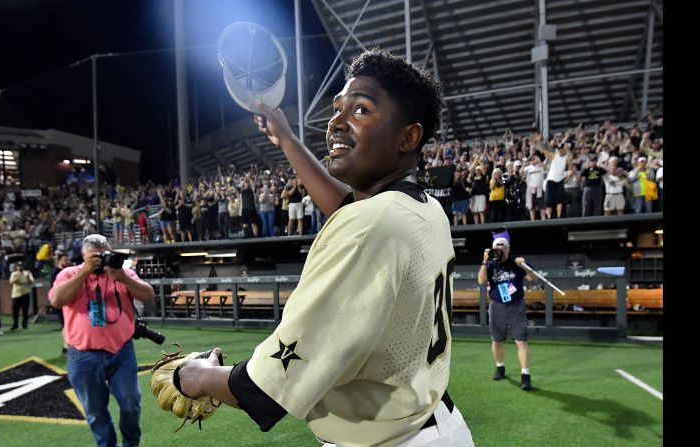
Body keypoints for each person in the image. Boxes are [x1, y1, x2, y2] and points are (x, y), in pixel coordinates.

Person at [173, 48, 474, 446]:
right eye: (337, 109)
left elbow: (265, 388)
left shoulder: (370, 226)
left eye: (361, 110)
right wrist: (288, 139)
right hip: (436, 423)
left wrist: (194, 376)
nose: (336, 123)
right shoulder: (425, 207)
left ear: (408, 137)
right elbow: (350, 208)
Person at [48, 234, 155, 447]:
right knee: (95, 412)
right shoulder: (69, 273)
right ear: (83, 256)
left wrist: (122, 277)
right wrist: (85, 272)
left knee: (131, 403)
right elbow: (57, 300)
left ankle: (131, 443)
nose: (100, 260)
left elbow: (148, 295)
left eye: (103, 255)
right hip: (83, 355)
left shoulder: (121, 273)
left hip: (121, 352)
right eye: (94, 257)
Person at [477, 237, 537, 391]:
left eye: (503, 246)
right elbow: (481, 281)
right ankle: (500, 367)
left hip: (516, 307)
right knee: (496, 341)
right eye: (497, 246)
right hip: (497, 307)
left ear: (508, 248)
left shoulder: (516, 263)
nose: (500, 249)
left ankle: (525, 376)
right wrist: (484, 260)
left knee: (521, 341)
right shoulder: (490, 264)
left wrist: (524, 266)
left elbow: (534, 279)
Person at [9, 261, 34, 331]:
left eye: (21, 266)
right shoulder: (14, 274)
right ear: (17, 267)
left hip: (25, 293)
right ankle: (15, 324)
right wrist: (17, 277)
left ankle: (24, 324)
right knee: (15, 311)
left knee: (25, 310)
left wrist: (28, 276)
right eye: (19, 266)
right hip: (16, 294)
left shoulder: (27, 273)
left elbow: (31, 281)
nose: (20, 267)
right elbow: (11, 282)